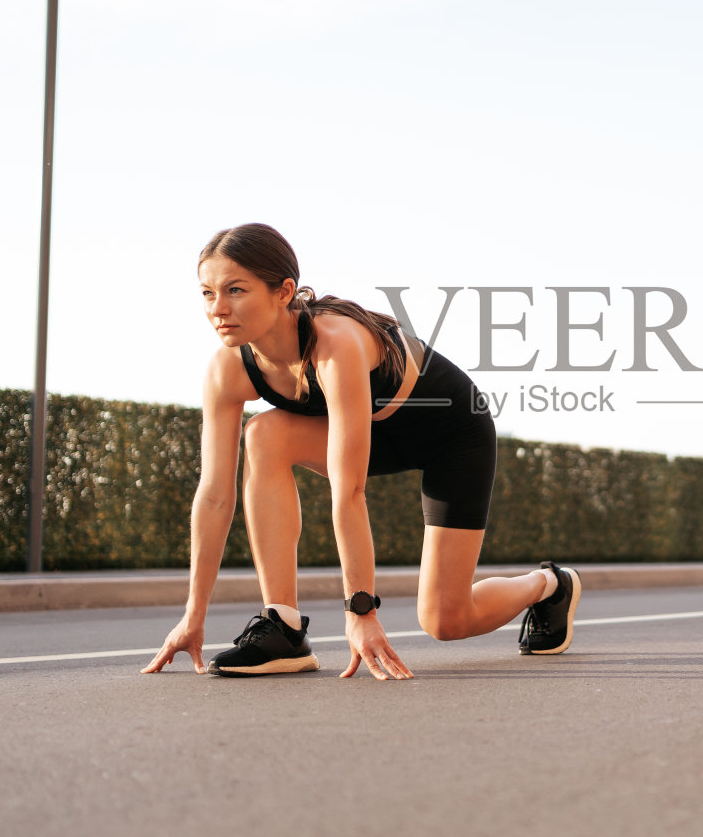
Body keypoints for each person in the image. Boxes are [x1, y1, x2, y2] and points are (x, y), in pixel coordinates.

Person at [143, 223, 580, 680]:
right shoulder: (227, 370)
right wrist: (193, 616)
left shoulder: (335, 344)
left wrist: (362, 612)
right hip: (376, 435)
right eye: (207, 293)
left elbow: (348, 491)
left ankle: (549, 585)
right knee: (263, 434)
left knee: (446, 620)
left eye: (235, 290)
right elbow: (214, 494)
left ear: (283, 291)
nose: (218, 308)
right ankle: (283, 627)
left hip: (452, 435)